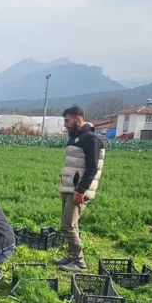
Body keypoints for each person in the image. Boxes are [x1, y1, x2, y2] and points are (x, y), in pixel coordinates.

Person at [57, 106, 105, 272]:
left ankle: (79, 263)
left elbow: (92, 168)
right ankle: (71, 257)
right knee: (72, 225)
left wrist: (80, 190)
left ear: (78, 118)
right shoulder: (76, 137)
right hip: (70, 188)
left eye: (67, 120)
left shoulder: (90, 139)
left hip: (79, 190)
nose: (66, 124)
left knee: (68, 225)